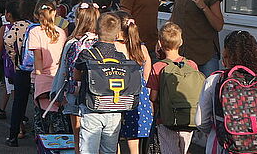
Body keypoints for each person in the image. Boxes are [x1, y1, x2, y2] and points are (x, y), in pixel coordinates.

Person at [74, 12, 137, 154]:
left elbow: (76, 76)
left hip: (92, 108)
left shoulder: (87, 55)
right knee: (109, 150)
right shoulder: (121, 57)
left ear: (96, 31)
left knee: (89, 150)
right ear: (117, 34)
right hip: (115, 108)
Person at [196, 30, 257, 154]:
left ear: (227, 55)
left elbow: (201, 121)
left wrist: (216, 130)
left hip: (223, 145)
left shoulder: (214, 81)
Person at [50, 2, 102, 154]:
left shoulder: (72, 43)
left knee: (78, 136)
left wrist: (56, 93)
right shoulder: (103, 42)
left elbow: (63, 71)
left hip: (75, 94)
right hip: (99, 95)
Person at [147, 23, 200, 154]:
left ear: (160, 43)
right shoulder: (191, 65)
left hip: (166, 119)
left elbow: (152, 97)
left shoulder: (158, 66)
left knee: (169, 150)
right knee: (184, 149)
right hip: (188, 118)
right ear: (181, 42)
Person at [168, 0, 224, 76]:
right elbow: (174, 18)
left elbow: (219, 25)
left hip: (205, 54)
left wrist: (204, 7)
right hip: (183, 55)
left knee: (208, 92)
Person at [116, 13, 154, 154]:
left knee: (114, 136)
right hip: (139, 96)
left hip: (118, 95)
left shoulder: (115, 47)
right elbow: (146, 76)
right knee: (134, 139)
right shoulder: (142, 48)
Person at [5, 0, 38, 146]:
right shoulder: (40, 26)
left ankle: (13, 136)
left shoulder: (19, 25)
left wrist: (14, 58)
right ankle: (41, 134)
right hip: (39, 70)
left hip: (22, 69)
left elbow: (8, 41)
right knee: (40, 103)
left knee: (19, 103)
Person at [28, 0, 68, 117]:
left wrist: (38, 78)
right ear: (55, 13)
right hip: (59, 78)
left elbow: (38, 58)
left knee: (42, 116)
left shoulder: (35, 32)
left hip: (43, 78)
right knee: (58, 116)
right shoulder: (61, 32)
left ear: (37, 14)